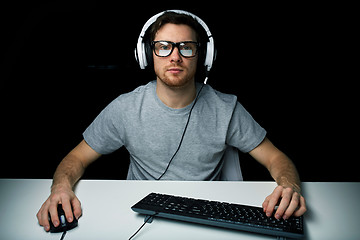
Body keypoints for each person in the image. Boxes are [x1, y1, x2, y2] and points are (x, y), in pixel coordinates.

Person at [37, 10, 306, 232]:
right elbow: (76, 158)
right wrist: (60, 189)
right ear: (147, 55)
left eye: (186, 47)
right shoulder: (125, 108)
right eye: (163, 47)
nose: (175, 56)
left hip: (206, 219)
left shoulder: (226, 108)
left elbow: (276, 158)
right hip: (138, 217)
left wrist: (288, 186)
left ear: (202, 57)